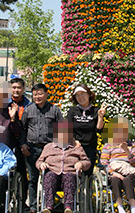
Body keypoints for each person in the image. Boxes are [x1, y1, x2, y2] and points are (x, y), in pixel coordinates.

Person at [21, 84, 64, 213]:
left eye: (40, 94)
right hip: (32, 149)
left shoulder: (55, 110)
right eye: (35, 94)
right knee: (33, 179)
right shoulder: (28, 110)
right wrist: (23, 144)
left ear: (46, 94)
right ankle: (33, 206)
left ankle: (50, 204)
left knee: (50, 177)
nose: (37, 97)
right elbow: (23, 129)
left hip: (50, 150)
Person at [36, 120, 91, 213]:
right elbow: (39, 161)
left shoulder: (76, 147)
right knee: (49, 176)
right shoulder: (49, 147)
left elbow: (87, 162)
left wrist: (81, 164)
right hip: (52, 171)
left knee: (69, 178)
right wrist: (42, 164)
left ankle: (68, 207)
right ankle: (48, 207)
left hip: (70, 173)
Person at [100, 117, 135, 213]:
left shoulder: (132, 145)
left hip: (130, 171)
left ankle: (133, 207)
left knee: (127, 180)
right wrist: (113, 173)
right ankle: (120, 207)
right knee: (115, 180)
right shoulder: (108, 145)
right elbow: (104, 163)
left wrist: (127, 151)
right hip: (114, 172)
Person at [66, 84, 106, 175]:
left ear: (89, 94)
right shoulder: (72, 111)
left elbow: (99, 129)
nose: (80, 97)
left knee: (88, 172)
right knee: (74, 172)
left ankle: (88, 188)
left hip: (90, 146)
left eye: (83, 94)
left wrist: (100, 117)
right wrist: (74, 141)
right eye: (78, 95)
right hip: (75, 147)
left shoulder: (96, 110)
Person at [9, 77, 32, 212]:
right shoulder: (4, 104)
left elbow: (28, 127)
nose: (16, 90)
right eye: (14, 87)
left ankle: (23, 202)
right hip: (7, 141)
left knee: (23, 173)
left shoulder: (28, 105)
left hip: (23, 142)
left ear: (23, 89)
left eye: (19, 88)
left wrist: (24, 143)